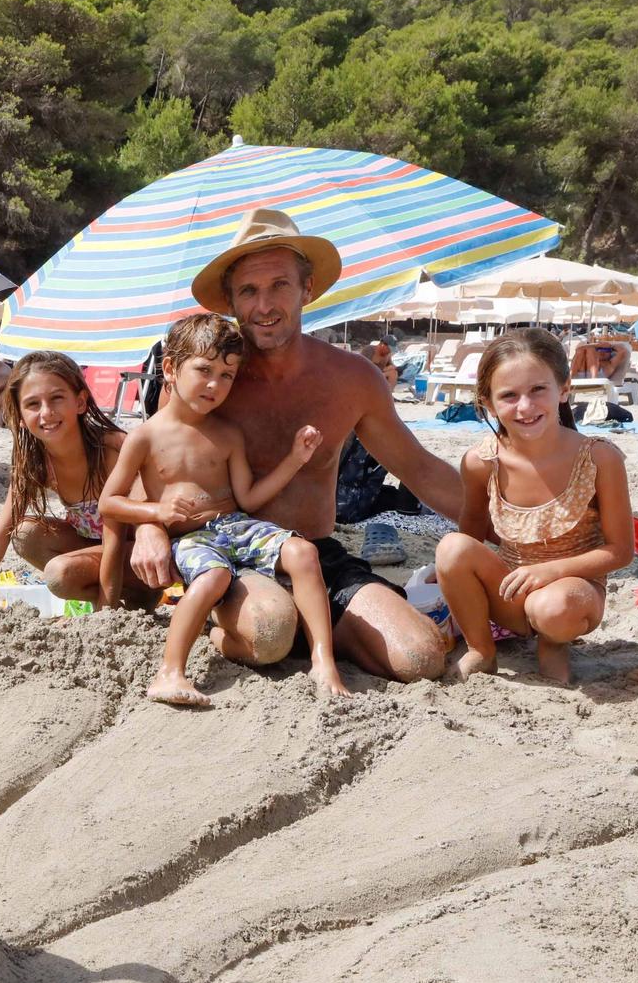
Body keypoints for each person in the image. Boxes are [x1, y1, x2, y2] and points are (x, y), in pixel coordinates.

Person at [127, 209, 464, 682]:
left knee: (420, 657)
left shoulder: (351, 379)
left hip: (315, 552)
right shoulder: (208, 380)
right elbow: (152, 460)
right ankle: (230, 624)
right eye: (248, 290)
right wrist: (149, 528)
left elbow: (421, 470)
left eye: (279, 286)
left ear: (307, 289)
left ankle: (318, 631)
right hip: (231, 552)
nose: (264, 305)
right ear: (230, 300)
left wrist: (503, 532)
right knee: (269, 633)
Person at [99, 314, 341, 706]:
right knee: (211, 578)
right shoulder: (145, 436)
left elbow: (248, 499)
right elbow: (108, 503)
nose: (215, 384)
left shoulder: (227, 434)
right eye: (204, 370)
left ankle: (322, 659)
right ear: (171, 368)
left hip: (236, 524)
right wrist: (158, 512)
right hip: (193, 538)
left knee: (303, 552)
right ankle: (170, 671)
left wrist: (296, 459)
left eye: (227, 375)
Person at [434, 329, 634, 683]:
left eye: (538, 390)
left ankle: (553, 642)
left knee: (552, 607)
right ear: (489, 404)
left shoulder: (599, 458)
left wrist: (550, 571)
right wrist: (453, 578)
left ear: (564, 389)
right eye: (509, 396)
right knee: (450, 548)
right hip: (511, 593)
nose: (525, 407)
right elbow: (471, 533)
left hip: (574, 595)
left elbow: (620, 552)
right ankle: (482, 651)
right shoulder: (482, 462)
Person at [0, 351, 158, 612]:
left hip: (142, 556)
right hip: (100, 550)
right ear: (18, 415)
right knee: (24, 534)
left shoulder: (109, 450)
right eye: (32, 404)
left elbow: (116, 541)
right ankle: (123, 603)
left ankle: (135, 598)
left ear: (81, 401)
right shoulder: (34, 461)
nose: (46, 413)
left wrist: (103, 616)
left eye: (56, 398)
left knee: (59, 574)